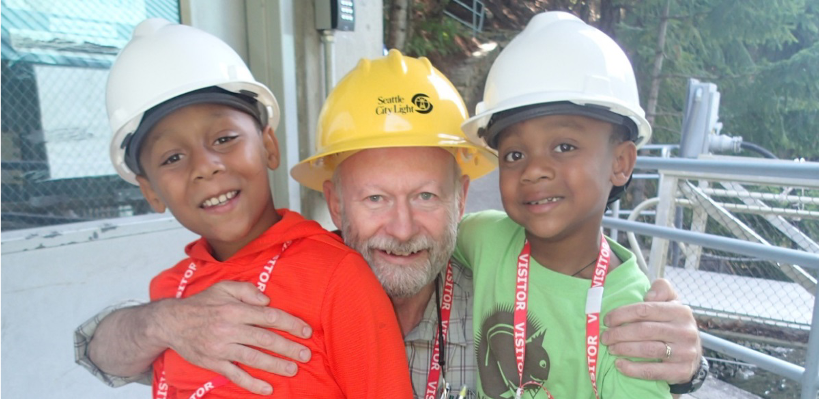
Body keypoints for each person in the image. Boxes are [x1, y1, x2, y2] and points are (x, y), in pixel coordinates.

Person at [75, 44, 706, 399]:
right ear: (337, 203)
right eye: (375, 200)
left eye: (426, 198)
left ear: (463, 200)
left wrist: (685, 366)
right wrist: (159, 321)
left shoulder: (493, 276)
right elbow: (100, 354)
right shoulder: (286, 288)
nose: (402, 229)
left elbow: (577, 250)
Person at [98, 18, 412, 398]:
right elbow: (105, 355)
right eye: (173, 158)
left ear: (268, 146)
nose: (205, 166)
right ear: (150, 190)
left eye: (225, 138)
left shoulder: (337, 277)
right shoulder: (170, 293)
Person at [453, 11, 692, 399]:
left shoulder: (631, 315)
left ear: (620, 163)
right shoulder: (483, 238)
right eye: (513, 154)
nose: (534, 170)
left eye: (564, 147)